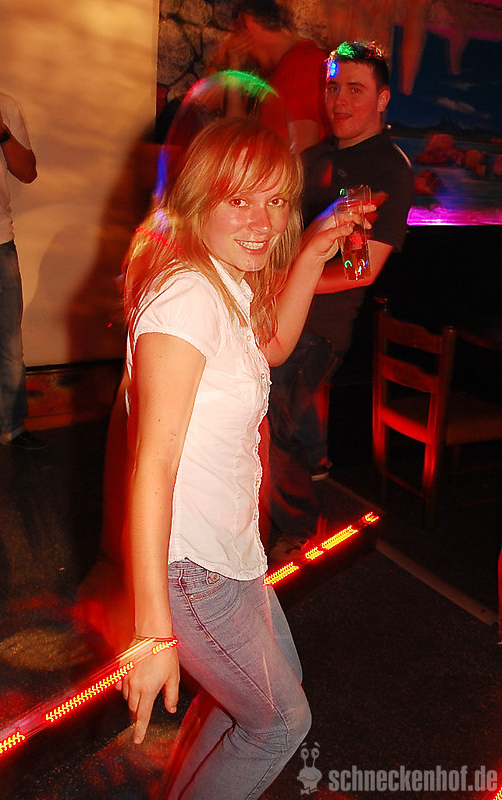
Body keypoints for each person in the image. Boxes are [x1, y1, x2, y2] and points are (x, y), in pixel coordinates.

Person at [115, 117, 369, 799]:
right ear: (199, 200)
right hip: (191, 568)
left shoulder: (223, 276)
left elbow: (271, 348)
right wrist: (151, 635)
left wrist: (312, 251)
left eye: (276, 200)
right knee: (279, 723)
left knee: (258, 707)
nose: (262, 221)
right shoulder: (186, 298)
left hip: (232, 554)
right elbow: (152, 467)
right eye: (240, 200)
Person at [267, 41, 415, 560]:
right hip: (279, 309)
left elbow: (360, 270)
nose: (340, 100)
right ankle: (311, 466)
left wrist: (287, 281)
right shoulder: (314, 158)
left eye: (355, 88)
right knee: (274, 415)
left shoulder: (388, 169)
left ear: (382, 99)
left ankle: (299, 529)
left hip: (320, 325)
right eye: (333, 87)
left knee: (274, 412)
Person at [0, 14, 44, 451]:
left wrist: (0, 131)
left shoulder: (4, 106)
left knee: (9, 347)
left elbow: (29, 172)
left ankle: (12, 428)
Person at [213, 0, 329, 152]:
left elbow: (304, 152)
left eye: (239, 31)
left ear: (249, 28)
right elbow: (237, 134)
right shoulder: (280, 71)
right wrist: (235, 68)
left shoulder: (303, 64)